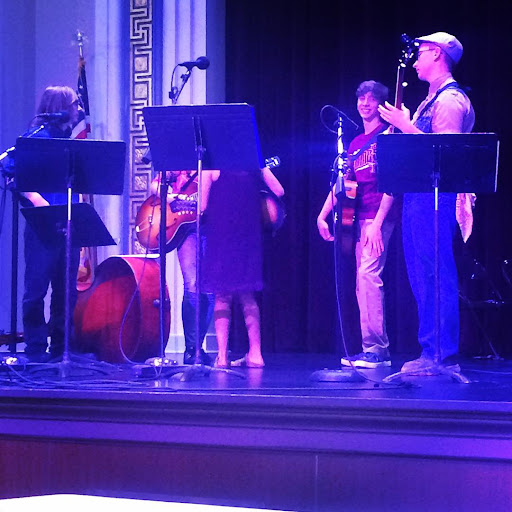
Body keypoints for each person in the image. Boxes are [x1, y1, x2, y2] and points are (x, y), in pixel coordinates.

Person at [378, 32, 475, 373]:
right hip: (418, 196)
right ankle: (430, 351)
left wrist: (405, 125)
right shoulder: (430, 101)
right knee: (421, 275)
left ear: (436, 54)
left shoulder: (449, 101)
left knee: (435, 274)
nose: (416, 60)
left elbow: (446, 155)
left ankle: (440, 355)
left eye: (420, 53)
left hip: (436, 199)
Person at [317, 80, 396, 368]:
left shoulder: (388, 136)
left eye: (371, 99)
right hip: (358, 219)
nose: (364, 103)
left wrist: (377, 224)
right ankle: (370, 348)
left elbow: (392, 184)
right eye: (361, 98)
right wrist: (322, 215)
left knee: (368, 277)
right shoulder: (356, 143)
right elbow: (344, 184)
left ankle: (378, 350)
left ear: (380, 104)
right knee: (362, 284)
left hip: (378, 217)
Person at [201, 166, 284, 368]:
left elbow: (201, 206)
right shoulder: (253, 163)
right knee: (248, 295)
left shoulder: (212, 166)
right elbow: (279, 190)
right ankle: (255, 354)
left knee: (222, 296)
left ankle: (222, 357)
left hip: (220, 236)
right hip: (248, 236)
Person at [21, 85, 81, 362]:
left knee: (66, 291)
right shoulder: (36, 138)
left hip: (69, 223)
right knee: (36, 289)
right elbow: (15, 173)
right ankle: (35, 348)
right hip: (42, 224)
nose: (79, 109)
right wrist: (37, 200)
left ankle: (61, 348)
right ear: (59, 107)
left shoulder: (70, 141)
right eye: (74, 104)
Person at [149, 171, 214, 365]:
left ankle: (198, 347)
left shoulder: (214, 163)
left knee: (210, 288)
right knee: (192, 283)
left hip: (213, 225)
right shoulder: (180, 164)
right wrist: (171, 197)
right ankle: (191, 349)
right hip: (186, 227)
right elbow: (155, 185)